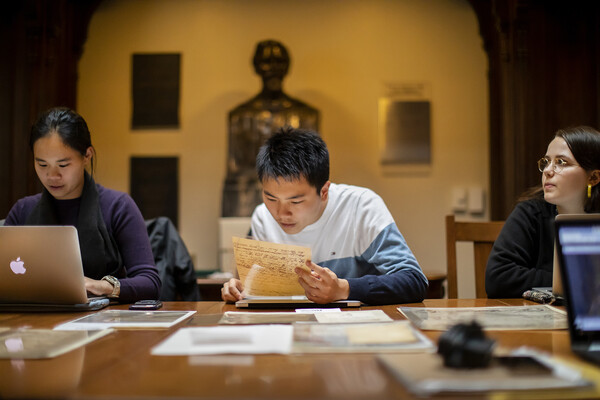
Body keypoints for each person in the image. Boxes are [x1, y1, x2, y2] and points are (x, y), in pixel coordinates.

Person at [221, 127, 428, 305]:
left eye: (296, 201)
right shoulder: (262, 217)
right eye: (270, 198)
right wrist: (238, 288)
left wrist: (343, 289)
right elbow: (254, 288)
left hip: (354, 335)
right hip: (287, 332)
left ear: (324, 191)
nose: (281, 213)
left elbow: (414, 281)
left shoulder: (361, 207)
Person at [4, 107, 161, 303]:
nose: (52, 175)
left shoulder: (118, 207)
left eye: (63, 165)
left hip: (103, 322)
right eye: (42, 165)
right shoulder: (22, 210)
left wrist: (100, 286)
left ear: (87, 156)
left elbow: (150, 282)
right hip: (32, 321)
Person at [486, 126, 600, 298]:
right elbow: (498, 277)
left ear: (593, 178)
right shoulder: (530, 212)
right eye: (547, 161)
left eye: (561, 162)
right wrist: (577, 281)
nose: (548, 170)